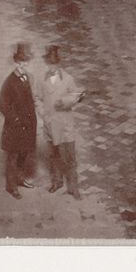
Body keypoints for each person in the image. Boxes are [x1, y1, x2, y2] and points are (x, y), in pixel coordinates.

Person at [38, 45, 84, 198]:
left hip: (65, 125)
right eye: (50, 64)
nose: (52, 67)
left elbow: (78, 95)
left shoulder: (68, 79)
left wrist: (64, 101)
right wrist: (43, 113)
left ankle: (73, 187)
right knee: (54, 155)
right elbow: (37, 98)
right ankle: (57, 182)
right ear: (47, 63)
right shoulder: (42, 80)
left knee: (70, 157)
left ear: (59, 64)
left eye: (55, 64)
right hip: (51, 124)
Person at [0, 42, 38, 198]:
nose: (23, 64)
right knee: (13, 156)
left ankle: (20, 179)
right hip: (15, 127)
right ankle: (11, 186)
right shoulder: (10, 82)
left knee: (24, 153)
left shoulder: (27, 77)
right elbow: (2, 105)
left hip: (27, 126)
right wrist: (15, 119)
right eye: (21, 62)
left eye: (26, 61)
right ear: (16, 62)